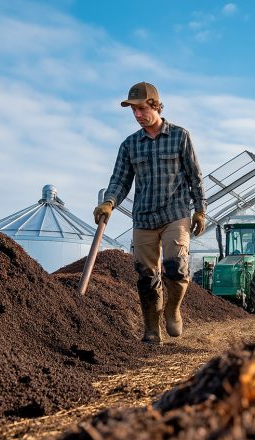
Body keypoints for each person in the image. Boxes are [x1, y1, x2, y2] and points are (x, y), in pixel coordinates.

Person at [93, 82, 205, 344]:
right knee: (147, 276)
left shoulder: (179, 136)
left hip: (175, 212)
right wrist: (109, 202)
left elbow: (194, 176)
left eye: (142, 108)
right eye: (133, 111)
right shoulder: (130, 145)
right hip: (143, 217)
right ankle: (152, 329)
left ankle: (172, 309)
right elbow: (120, 181)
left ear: (155, 105)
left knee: (176, 267)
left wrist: (200, 209)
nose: (137, 115)